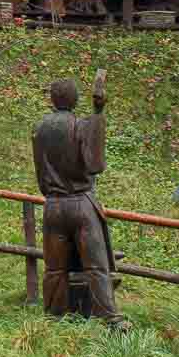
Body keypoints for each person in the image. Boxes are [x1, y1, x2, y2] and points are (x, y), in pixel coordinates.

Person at [31, 68, 128, 329]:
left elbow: (40, 172)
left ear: (53, 100)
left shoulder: (40, 129)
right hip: (81, 204)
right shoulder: (81, 125)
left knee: (54, 268)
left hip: (52, 206)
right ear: (74, 100)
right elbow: (95, 164)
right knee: (96, 266)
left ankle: (53, 317)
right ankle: (110, 318)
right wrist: (98, 114)